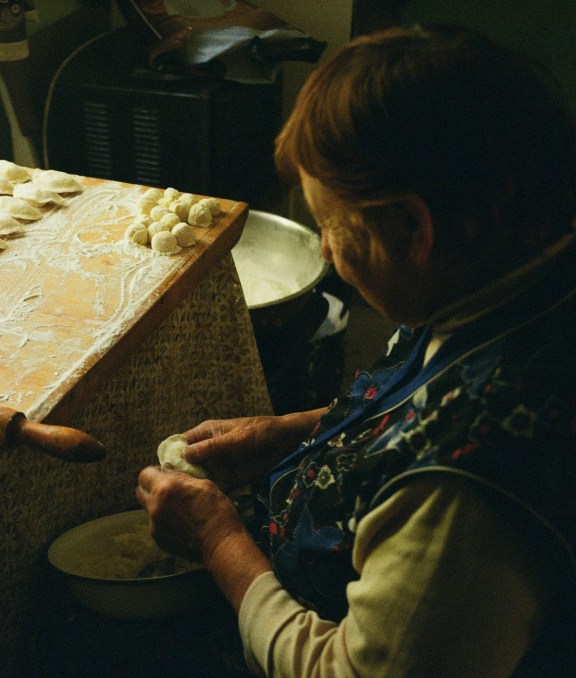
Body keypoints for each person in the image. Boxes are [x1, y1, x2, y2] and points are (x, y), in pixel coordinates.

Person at [136, 23, 576, 676]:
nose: (325, 252)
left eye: (330, 227)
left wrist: (218, 541)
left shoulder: (467, 502)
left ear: (412, 227)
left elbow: (348, 670)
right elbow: (427, 397)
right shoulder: (512, 264)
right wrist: (294, 432)